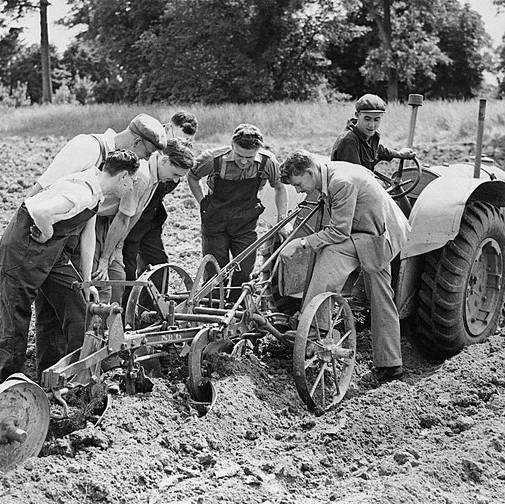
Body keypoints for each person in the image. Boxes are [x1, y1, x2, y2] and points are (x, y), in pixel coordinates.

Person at [0, 150, 140, 382]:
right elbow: (42, 213)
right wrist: (47, 233)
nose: (132, 186)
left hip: (53, 256)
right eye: (133, 181)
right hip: (23, 252)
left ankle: (71, 377)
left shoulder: (96, 192)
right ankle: (9, 388)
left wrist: (87, 282)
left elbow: (88, 237)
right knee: (14, 323)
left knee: (78, 308)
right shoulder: (82, 191)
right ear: (124, 176)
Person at [279, 150, 410, 382]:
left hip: (379, 236)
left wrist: (301, 243)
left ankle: (389, 365)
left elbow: (339, 231)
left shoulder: (340, 182)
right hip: (362, 232)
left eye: (299, 184)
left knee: (377, 293)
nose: (299, 191)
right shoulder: (326, 176)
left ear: (310, 172)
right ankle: (314, 324)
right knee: (325, 252)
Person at [29, 113, 166, 307]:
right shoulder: (89, 148)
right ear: (137, 141)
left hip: (74, 234)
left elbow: (91, 218)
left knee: (68, 306)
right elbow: (42, 189)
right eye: (149, 152)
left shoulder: (115, 165)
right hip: (47, 232)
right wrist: (35, 231)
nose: (147, 159)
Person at [187, 123, 288, 298]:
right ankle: (212, 306)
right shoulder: (214, 159)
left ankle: (236, 309)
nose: (243, 161)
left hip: (245, 223)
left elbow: (279, 187)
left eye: (249, 158)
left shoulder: (267, 162)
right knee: (215, 270)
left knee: (244, 269)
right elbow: (193, 176)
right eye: (240, 155)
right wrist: (202, 202)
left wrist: (282, 218)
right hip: (215, 221)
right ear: (232, 145)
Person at [122, 111, 198, 285]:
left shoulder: (180, 158)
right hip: (132, 215)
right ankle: (127, 308)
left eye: (189, 141)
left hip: (151, 218)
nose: (184, 144)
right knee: (128, 267)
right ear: (168, 128)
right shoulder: (149, 149)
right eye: (180, 137)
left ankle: (153, 308)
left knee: (158, 264)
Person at [330, 93, 415, 171]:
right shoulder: (349, 140)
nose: (372, 125)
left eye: (376, 120)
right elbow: (356, 179)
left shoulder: (370, 136)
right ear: (357, 115)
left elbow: (381, 151)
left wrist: (400, 154)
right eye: (367, 119)